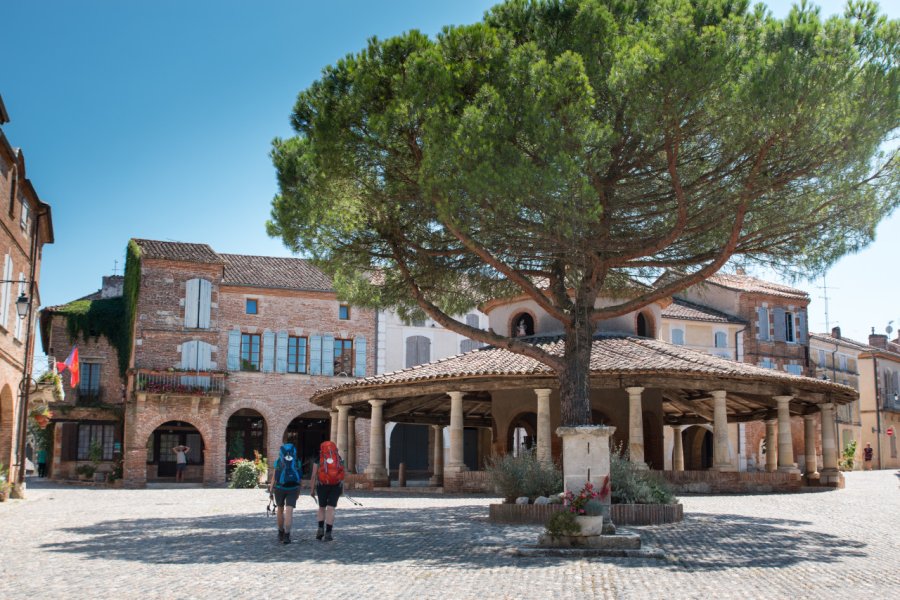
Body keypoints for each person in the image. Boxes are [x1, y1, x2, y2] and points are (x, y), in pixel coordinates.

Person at [309, 440, 345, 542]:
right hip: (336, 486)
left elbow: (313, 476)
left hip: (322, 485)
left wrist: (312, 490)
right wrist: (342, 490)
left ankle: (320, 529)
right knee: (331, 508)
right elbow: (342, 475)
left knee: (321, 507)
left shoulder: (318, 459)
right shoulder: (339, 458)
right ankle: (328, 533)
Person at [268, 443, 302, 544]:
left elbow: (274, 477)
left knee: (280, 510)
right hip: (293, 488)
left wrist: (270, 491)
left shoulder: (278, 461)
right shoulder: (297, 461)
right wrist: (298, 491)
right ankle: (287, 535)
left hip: (279, 488)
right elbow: (300, 478)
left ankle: (280, 533)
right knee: (289, 511)